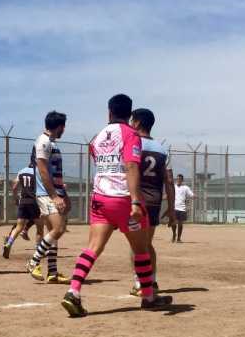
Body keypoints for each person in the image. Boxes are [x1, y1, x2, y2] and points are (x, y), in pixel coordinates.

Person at [61, 94, 172, 317]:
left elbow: (99, 160)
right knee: (141, 250)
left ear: (109, 112)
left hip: (100, 198)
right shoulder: (131, 134)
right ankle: (149, 297)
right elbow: (131, 166)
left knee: (93, 247)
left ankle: (73, 291)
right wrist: (134, 200)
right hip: (123, 199)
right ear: (129, 115)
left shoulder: (97, 136)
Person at [127, 108, 175, 296]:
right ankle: (152, 281)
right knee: (147, 243)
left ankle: (139, 283)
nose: (130, 124)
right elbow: (169, 182)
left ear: (137, 123)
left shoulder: (132, 143)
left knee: (135, 245)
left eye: (132, 120)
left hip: (136, 200)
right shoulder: (162, 149)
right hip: (154, 201)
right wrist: (170, 208)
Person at [25, 111, 71, 283]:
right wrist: (54, 195)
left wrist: (63, 194)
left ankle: (52, 272)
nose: (64, 130)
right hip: (47, 194)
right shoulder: (43, 142)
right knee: (58, 229)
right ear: (59, 126)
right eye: (63, 127)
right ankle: (33, 261)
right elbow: (43, 170)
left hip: (54, 193)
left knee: (54, 232)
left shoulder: (50, 143)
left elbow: (54, 173)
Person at [2, 166, 43, 258]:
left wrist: (16, 198)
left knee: (19, 226)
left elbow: (14, 187)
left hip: (23, 201)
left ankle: (9, 243)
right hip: (34, 201)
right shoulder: (38, 171)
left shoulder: (21, 170)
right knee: (40, 227)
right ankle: (38, 251)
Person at [172, 174, 194, 243]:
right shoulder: (173, 187)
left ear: (182, 180)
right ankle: (174, 234)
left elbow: (191, 194)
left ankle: (178, 238)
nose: (178, 180)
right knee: (173, 223)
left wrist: (194, 196)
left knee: (180, 224)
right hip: (174, 207)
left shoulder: (185, 188)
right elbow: (169, 194)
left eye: (180, 179)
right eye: (177, 179)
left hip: (182, 208)